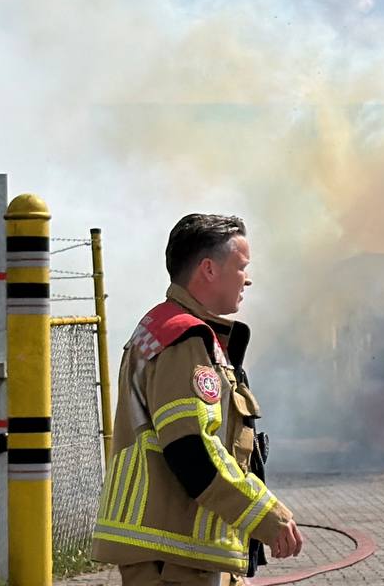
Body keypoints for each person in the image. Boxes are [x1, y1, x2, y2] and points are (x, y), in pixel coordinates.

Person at [92, 214, 304, 585]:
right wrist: (263, 514)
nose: (248, 279)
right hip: (173, 555)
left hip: (174, 552)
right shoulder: (184, 339)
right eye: (241, 267)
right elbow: (191, 449)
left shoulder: (162, 329)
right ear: (208, 269)